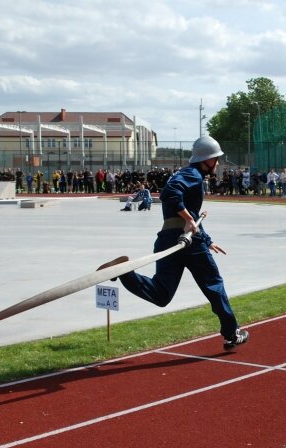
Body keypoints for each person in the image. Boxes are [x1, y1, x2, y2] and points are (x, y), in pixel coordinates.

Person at [98, 136, 249, 350]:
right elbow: (170, 195)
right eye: (216, 158)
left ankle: (124, 271)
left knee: (161, 295)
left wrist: (207, 240)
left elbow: (191, 218)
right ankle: (231, 333)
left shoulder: (187, 175)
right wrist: (189, 220)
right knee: (214, 286)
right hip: (188, 243)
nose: (218, 162)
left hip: (168, 239)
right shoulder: (193, 175)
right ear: (206, 160)